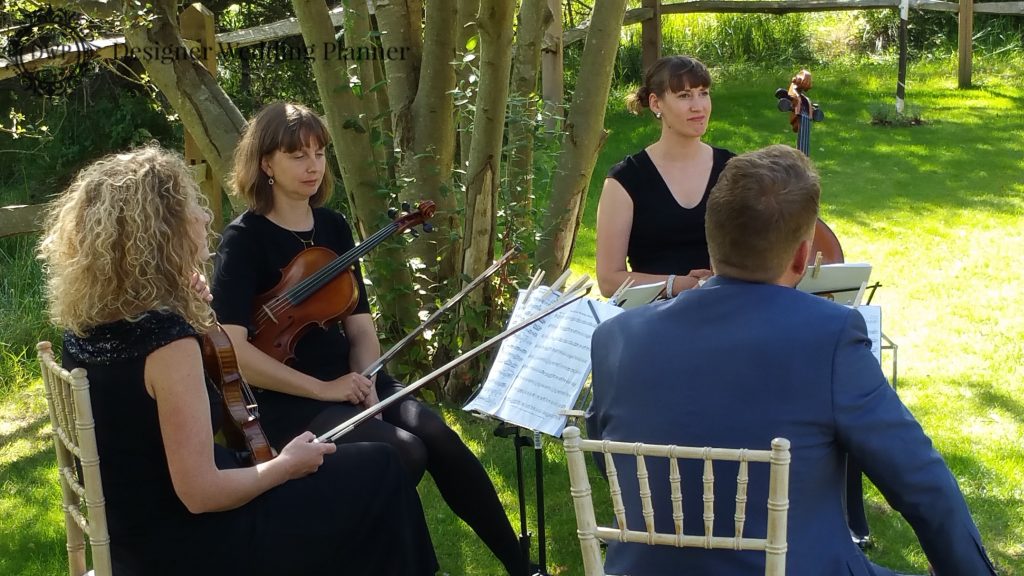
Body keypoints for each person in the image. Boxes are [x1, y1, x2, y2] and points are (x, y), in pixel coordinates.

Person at [586, 144, 997, 576]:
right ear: (802, 257)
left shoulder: (615, 338)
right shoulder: (831, 336)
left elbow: (611, 465)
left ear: (711, 242)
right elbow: (920, 483)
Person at [37, 145, 438, 576]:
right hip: (190, 544)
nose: (205, 219)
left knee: (363, 470)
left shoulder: (87, 326)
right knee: (381, 468)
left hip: (132, 532)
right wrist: (284, 466)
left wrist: (187, 309)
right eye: (192, 209)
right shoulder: (167, 345)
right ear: (160, 231)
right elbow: (201, 493)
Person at [210, 102, 529, 576]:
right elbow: (232, 350)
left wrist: (368, 383)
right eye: (297, 155)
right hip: (286, 400)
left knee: (437, 434)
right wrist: (326, 389)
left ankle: (521, 566)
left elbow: (360, 326)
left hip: (352, 381)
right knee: (402, 450)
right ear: (265, 164)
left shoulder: (334, 227)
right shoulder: (244, 239)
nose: (313, 165)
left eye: (319, 152)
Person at [595, 55, 736, 298]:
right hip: (654, 317)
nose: (698, 106)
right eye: (684, 96)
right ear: (656, 103)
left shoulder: (734, 169)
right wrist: (680, 284)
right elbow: (609, 281)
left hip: (726, 308)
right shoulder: (625, 180)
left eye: (703, 93)